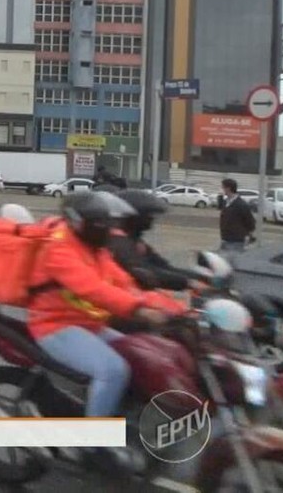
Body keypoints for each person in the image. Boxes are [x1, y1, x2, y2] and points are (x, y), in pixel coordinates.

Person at [28, 191, 186, 471]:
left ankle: (114, 416)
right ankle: (92, 445)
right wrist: (138, 310)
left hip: (87, 324)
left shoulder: (94, 248)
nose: (107, 230)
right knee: (113, 370)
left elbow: (123, 284)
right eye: (98, 224)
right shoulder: (59, 249)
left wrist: (176, 309)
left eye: (106, 223)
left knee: (142, 353)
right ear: (79, 223)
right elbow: (93, 289)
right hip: (54, 325)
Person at [108, 190, 200, 291]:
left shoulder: (134, 240)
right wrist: (187, 282)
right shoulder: (118, 242)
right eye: (149, 215)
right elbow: (146, 271)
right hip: (122, 298)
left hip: (136, 296)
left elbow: (162, 266)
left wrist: (200, 278)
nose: (152, 219)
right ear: (134, 215)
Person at [219, 178, 255, 252]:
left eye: (223, 187)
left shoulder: (241, 204)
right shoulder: (226, 202)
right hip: (226, 239)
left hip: (236, 241)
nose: (222, 189)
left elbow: (250, 221)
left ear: (228, 188)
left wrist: (246, 234)